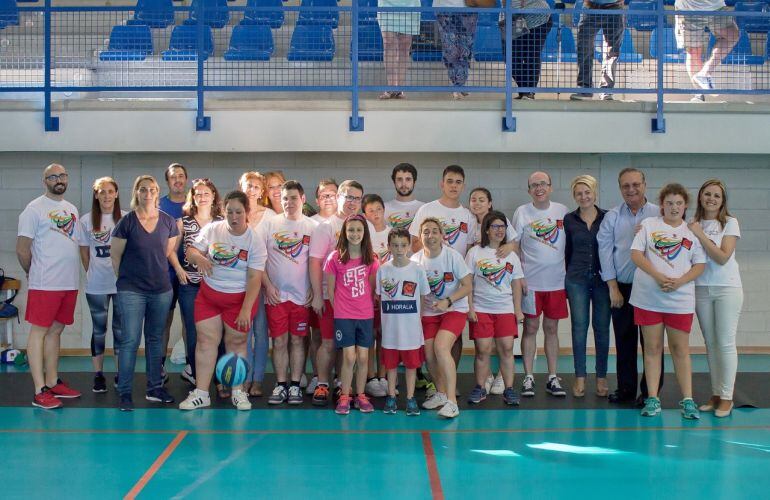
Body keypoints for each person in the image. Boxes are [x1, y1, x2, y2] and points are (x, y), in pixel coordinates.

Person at [179, 191, 266, 411]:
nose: (234, 216)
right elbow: (190, 251)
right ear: (224, 211)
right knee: (205, 342)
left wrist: (246, 310)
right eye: (229, 212)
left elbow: (255, 277)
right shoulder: (212, 229)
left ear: (247, 212)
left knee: (236, 345)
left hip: (239, 300)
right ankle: (201, 393)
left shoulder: (254, 240)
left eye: (238, 212)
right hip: (209, 297)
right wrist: (199, 257)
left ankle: (238, 392)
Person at [630, 183, 705, 419]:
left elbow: (699, 265)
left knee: (680, 349)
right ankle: (653, 398)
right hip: (648, 298)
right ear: (661, 205)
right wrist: (659, 276)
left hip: (679, 300)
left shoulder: (692, 232)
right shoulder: (649, 226)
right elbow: (636, 254)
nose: (674, 207)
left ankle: (688, 400)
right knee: (651, 349)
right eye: (669, 203)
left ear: (685, 206)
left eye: (679, 203)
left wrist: (680, 281)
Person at [16, 163, 82, 409]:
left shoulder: (71, 208)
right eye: (53, 176)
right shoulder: (34, 209)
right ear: (45, 181)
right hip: (45, 283)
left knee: (56, 330)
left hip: (68, 282)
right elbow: (22, 250)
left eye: (62, 175)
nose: (58, 179)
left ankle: (53, 382)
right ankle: (39, 389)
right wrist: (34, 273)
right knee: (39, 332)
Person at [111, 175, 179, 411]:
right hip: (131, 290)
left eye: (152, 189)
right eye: (143, 189)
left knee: (155, 339)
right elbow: (115, 256)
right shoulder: (126, 222)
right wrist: (126, 280)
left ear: (157, 192)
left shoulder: (169, 222)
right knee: (130, 341)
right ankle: (125, 392)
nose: (147, 193)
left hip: (161, 290)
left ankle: (154, 388)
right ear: (136, 193)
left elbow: (166, 252)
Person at [597, 167, 662, 405]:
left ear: (645, 184)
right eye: (626, 186)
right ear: (620, 188)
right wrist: (612, 287)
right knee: (624, 342)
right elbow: (605, 252)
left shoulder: (660, 213)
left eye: (636, 184)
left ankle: (650, 393)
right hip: (622, 288)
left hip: (651, 289)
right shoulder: (612, 217)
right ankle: (626, 390)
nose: (631, 189)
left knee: (652, 344)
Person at [259, 181, 318, 406]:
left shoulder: (312, 227)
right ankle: (281, 384)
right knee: (280, 341)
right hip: (276, 296)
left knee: (297, 340)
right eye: (285, 198)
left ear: (302, 199)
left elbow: (317, 262)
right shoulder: (269, 224)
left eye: (293, 198)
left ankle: (295, 385)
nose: (289, 202)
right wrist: (268, 285)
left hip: (302, 297)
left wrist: (313, 286)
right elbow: (258, 259)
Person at [512, 171, 569, 398]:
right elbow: (514, 246)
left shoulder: (562, 211)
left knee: (552, 329)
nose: (539, 188)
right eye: (534, 185)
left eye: (543, 184)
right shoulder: (522, 212)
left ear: (551, 187)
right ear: (529, 190)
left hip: (556, 283)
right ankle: (528, 377)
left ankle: (553, 377)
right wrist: (520, 276)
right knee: (531, 328)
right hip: (532, 284)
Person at [689, 179, 742, 418]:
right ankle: (716, 393)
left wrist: (700, 235)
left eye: (716, 196)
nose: (711, 198)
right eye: (707, 194)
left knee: (725, 342)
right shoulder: (691, 224)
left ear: (722, 201)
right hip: (701, 288)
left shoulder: (730, 223)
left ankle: (728, 397)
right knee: (710, 344)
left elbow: (722, 257)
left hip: (726, 288)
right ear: (700, 197)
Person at [309, 180, 365, 406]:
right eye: (348, 197)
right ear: (338, 197)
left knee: (348, 345)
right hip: (330, 297)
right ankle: (323, 383)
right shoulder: (326, 226)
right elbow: (315, 263)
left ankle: (344, 384)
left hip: (355, 300)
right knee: (329, 342)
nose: (352, 202)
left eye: (357, 198)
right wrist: (316, 294)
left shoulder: (363, 226)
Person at [412, 218, 472, 418]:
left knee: (441, 347)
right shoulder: (416, 261)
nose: (430, 235)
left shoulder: (452, 256)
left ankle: (452, 402)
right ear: (420, 236)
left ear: (442, 235)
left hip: (454, 309)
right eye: (426, 232)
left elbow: (467, 285)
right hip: (429, 312)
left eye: (435, 231)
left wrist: (448, 300)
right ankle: (440, 392)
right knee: (428, 354)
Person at [465, 211, 525, 406]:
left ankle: (509, 389)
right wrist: (470, 307)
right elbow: (468, 283)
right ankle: (480, 387)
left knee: (507, 349)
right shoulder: (474, 253)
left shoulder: (511, 256)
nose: (499, 230)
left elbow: (516, 284)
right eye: (495, 227)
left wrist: (517, 310)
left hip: (505, 309)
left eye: (502, 227)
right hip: (482, 309)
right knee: (482, 350)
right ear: (487, 230)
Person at [169, 178, 223, 390]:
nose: (202, 197)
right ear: (193, 197)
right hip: (190, 285)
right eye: (198, 193)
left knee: (217, 333)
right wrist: (179, 269)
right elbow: (170, 250)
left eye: (206, 193)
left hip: (215, 285)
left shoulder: (221, 221)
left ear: (213, 196)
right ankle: (195, 372)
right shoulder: (184, 221)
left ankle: (218, 377)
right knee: (193, 331)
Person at [324, 214, 380, 415]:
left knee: (363, 357)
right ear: (344, 233)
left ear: (364, 233)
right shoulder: (335, 257)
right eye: (351, 230)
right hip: (344, 315)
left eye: (359, 230)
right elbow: (330, 291)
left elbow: (373, 290)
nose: (355, 234)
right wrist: (341, 309)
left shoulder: (371, 259)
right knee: (349, 356)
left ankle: (361, 395)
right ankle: (345, 395)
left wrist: (363, 306)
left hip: (365, 315)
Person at [563, 175, 610, 398]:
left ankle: (601, 377)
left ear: (595, 193)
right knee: (579, 329)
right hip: (577, 280)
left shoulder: (608, 218)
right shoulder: (569, 219)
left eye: (587, 192)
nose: (584, 196)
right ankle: (580, 377)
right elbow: (567, 251)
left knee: (601, 329)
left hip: (603, 281)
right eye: (579, 193)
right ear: (574, 196)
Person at [79, 177, 126, 394]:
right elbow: (84, 252)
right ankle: (98, 375)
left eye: (110, 191)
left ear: (116, 194)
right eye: (102, 191)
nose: (106, 195)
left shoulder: (126, 218)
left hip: (121, 284)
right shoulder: (86, 220)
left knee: (119, 330)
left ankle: (119, 373)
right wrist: (92, 272)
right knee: (99, 330)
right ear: (96, 195)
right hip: (97, 284)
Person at [377, 228, 431, 415]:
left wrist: (417, 319)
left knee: (411, 366)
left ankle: (410, 398)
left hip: (411, 330)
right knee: (390, 366)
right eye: (395, 245)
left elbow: (423, 297)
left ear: (409, 246)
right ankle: (391, 396)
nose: (399, 249)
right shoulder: (383, 270)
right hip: (391, 329)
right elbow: (379, 297)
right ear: (389, 246)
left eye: (403, 245)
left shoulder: (417, 269)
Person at [240, 171, 275, 397]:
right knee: (244, 333)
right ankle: (245, 376)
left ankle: (258, 379)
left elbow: (271, 253)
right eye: (247, 185)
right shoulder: (234, 213)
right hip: (239, 284)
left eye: (255, 186)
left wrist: (269, 283)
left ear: (261, 191)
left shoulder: (270, 216)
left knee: (261, 333)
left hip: (264, 282)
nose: (251, 189)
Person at [306, 178, 339, 396]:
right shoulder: (311, 223)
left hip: (339, 295)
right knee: (317, 334)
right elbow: (312, 261)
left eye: (332, 194)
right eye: (324, 195)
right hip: (315, 289)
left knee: (336, 337)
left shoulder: (347, 222)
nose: (328, 198)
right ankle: (319, 377)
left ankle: (336, 377)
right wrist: (316, 292)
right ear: (317, 199)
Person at [159, 163, 188, 384]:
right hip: (165, 272)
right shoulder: (159, 206)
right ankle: (159, 366)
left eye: (181, 176)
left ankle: (191, 366)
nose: (177, 180)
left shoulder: (194, 204)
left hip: (190, 273)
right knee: (163, 321)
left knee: (190, 322)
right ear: (167, 181)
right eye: (173, 177)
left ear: (186, 179)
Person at [674, 0, 738, 102]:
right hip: (689, 9)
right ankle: (699, 95)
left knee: (732, 36)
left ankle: (705, 73)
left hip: (716, 7)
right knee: (693, 50)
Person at [410, 165, 477, 256]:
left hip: (456, 270)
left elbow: (469, 253)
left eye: (458, 182)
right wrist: (434, 244)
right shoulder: (426, 210)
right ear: (442, 185)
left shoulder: (469, 216)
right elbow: (414, 246)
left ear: (463, 187)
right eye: (450, 181)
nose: (454, 185)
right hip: (429, 269)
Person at [363, 193, 391, 397]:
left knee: (385, 335)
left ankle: (383, 376)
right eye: (371, 211)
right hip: (368, 294)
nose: (375, 214)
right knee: (370, 335)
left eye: (378, 209)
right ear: (365, 214)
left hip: (389, 294)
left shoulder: (392, 234)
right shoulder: (365, 237)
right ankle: (371, 377)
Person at [570, 0, 625, 101]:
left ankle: (606, 90)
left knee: (612, 52)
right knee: (584, 49)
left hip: (615, 8)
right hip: (591, 7)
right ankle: (584, 89)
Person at [502, 0, 553, 99]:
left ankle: (528, 91)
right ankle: (524, 90)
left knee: (531, 55)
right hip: (515, 19)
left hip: (538, 18)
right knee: (510, 58)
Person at [434, 0, 478, 99]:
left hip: (468, 9)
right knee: (451, 49)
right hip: (444, 9)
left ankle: (459, 84)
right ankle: (457, 85)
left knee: (465, 50)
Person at [378, 0, 420, 99]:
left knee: (404, 47)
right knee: (388, 43)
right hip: (386, 6)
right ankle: (390, 87)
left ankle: (399, 89)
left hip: (411, 6)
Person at [384, 163, 424, 233]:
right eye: (399, 179)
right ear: (394, 182)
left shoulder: (424, 208)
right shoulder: (383, 208)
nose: (404, 184)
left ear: (414, 182)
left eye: (408, 179)